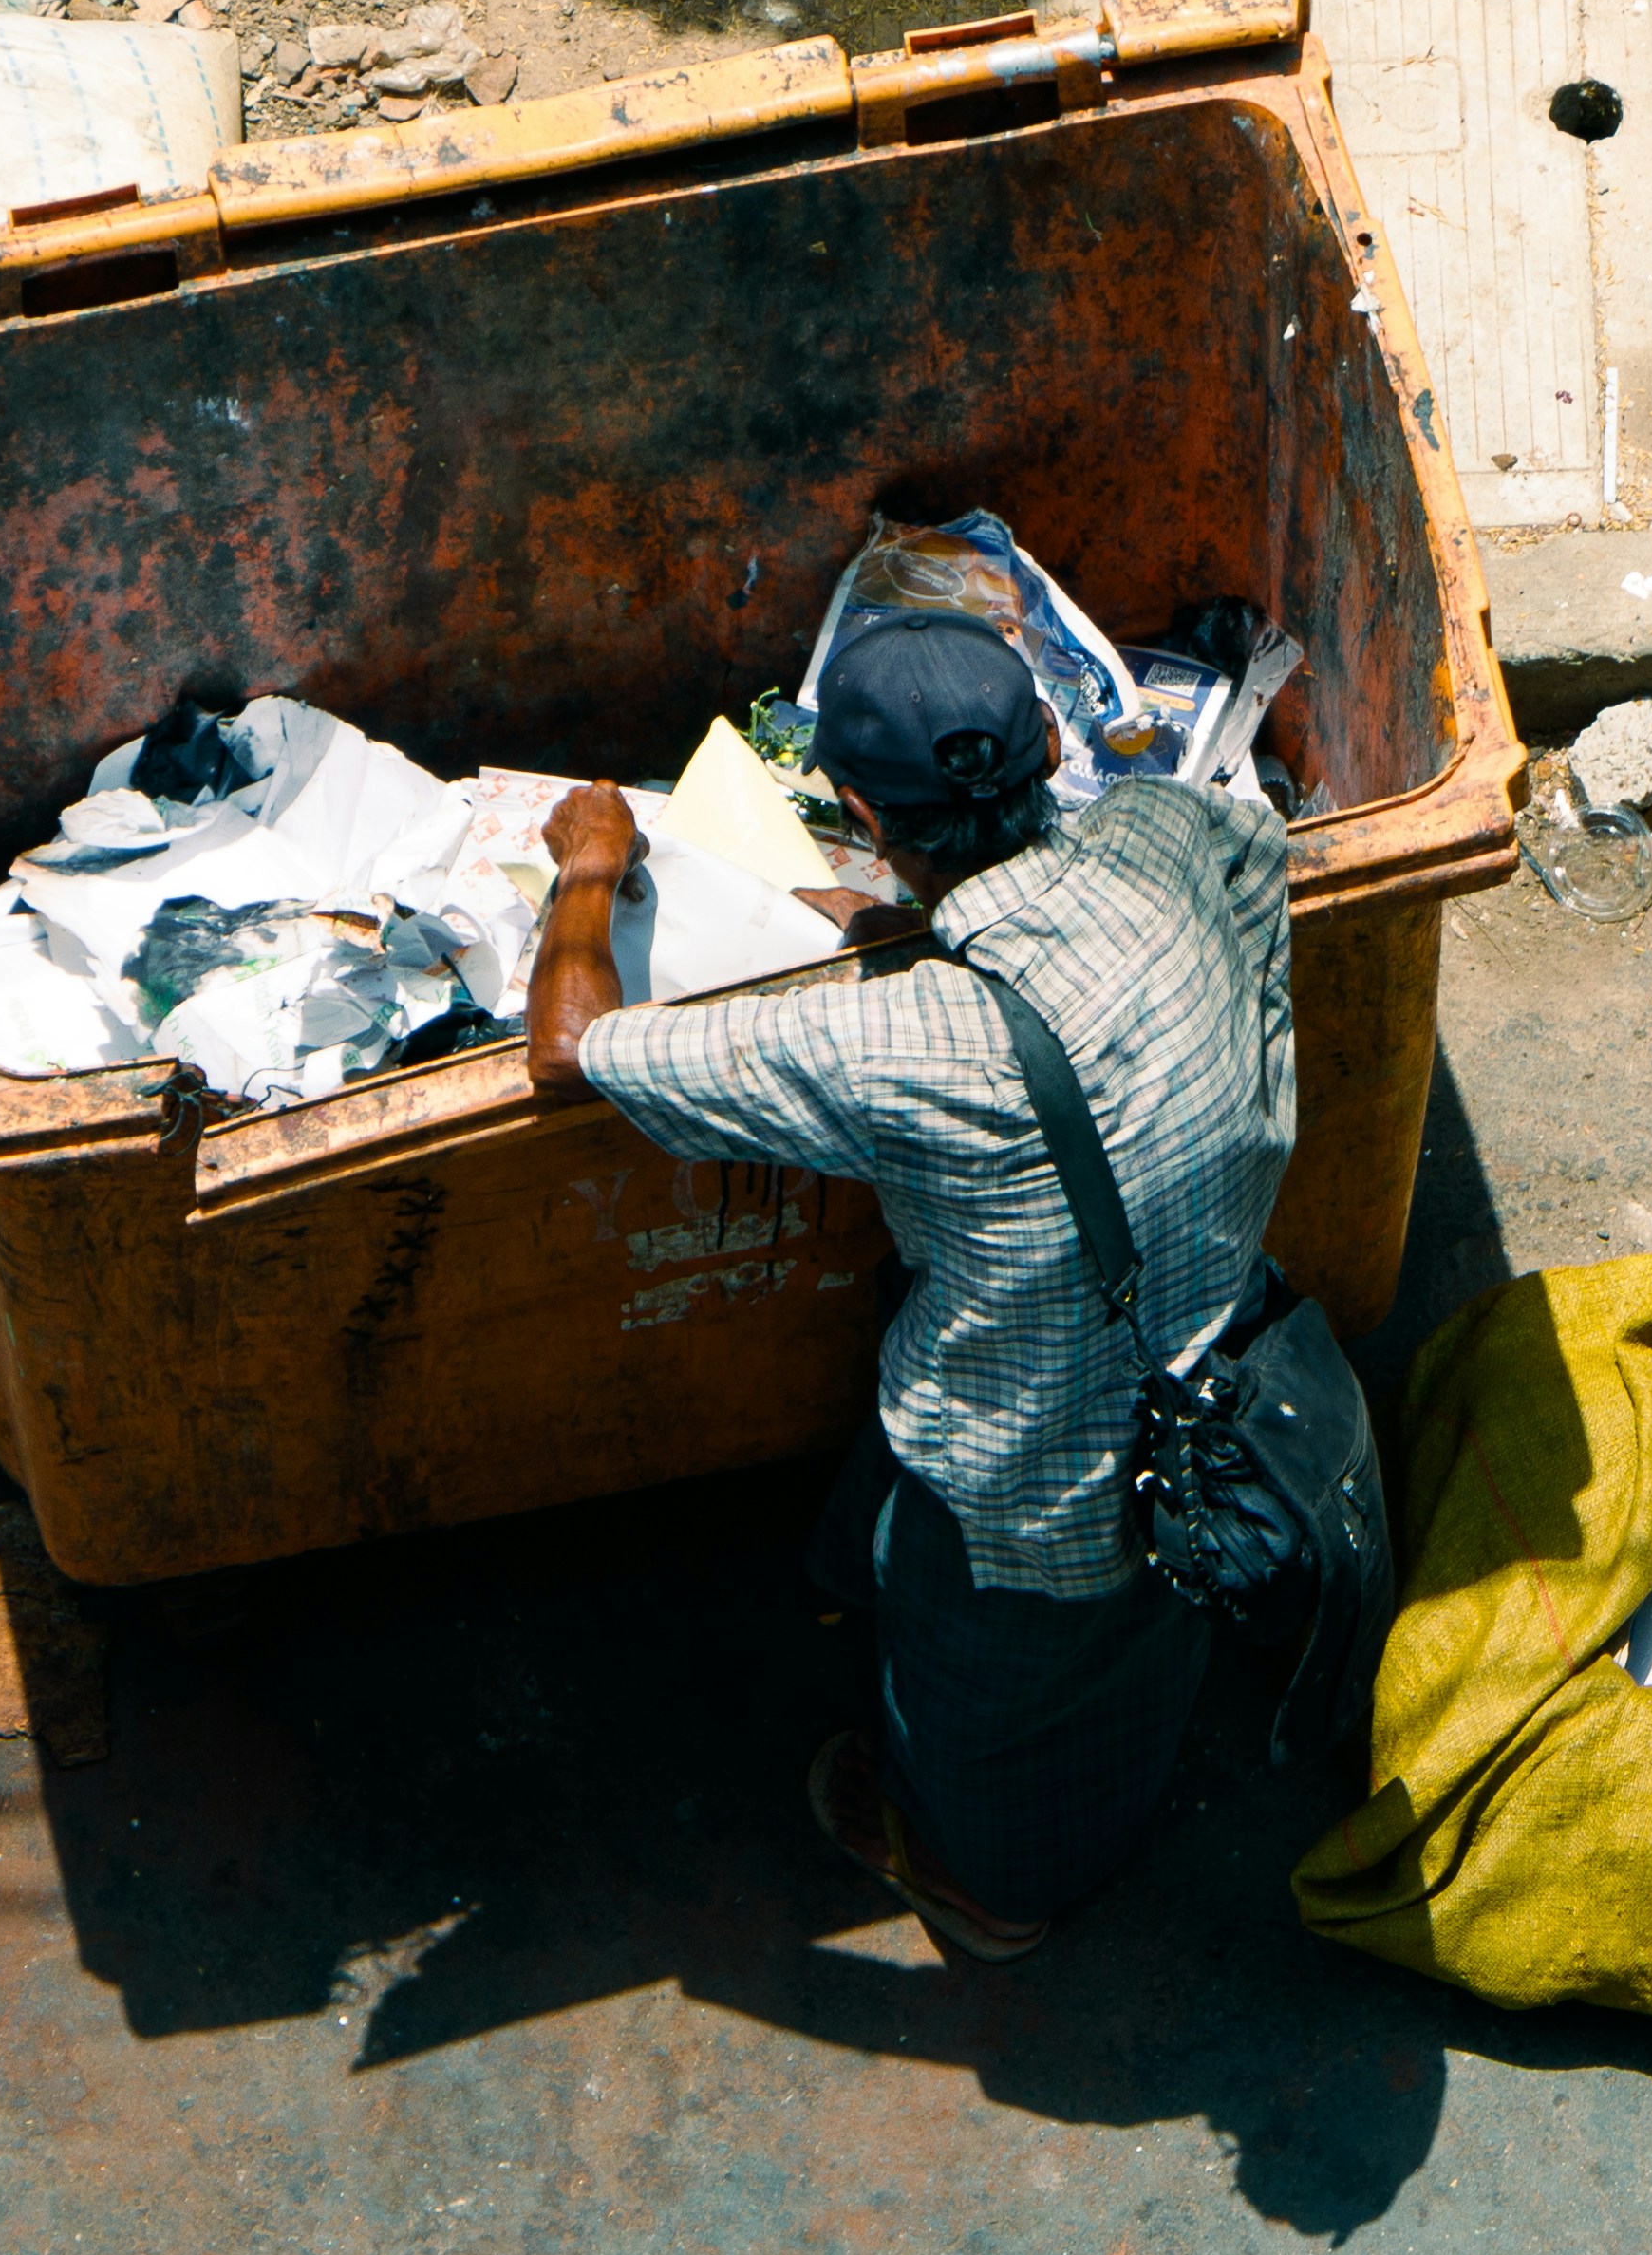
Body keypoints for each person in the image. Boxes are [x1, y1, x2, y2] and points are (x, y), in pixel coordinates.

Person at [519, 607, 1295, 1963]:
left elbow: (571, 1050)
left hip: (1023, 1489)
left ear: (864, 809)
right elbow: (1258, 871)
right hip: (1214, 1383)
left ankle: (986, 1887)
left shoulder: (894, 1039)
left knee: (986, 1715)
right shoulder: (1162, 842)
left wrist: (588, 868)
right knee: (1136, 1635)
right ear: (1052, 743)